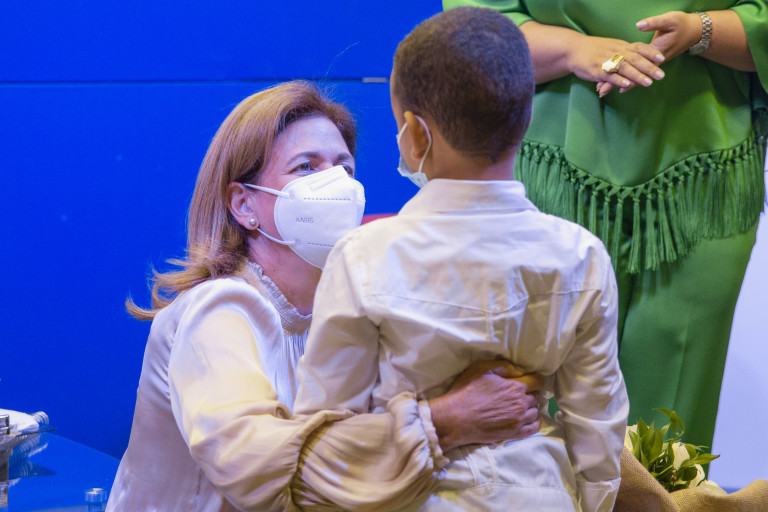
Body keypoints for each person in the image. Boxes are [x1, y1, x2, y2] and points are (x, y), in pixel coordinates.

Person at [106, 81, 544, 512]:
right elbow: (257, 469)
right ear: (244, 205)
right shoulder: (217, 312)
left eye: (344, 168)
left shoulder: (344, 314)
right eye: (306, 168)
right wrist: (445, 421)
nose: (336, 185)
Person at [294, 8, 628, 512]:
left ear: (414, 134)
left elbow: (325, 438)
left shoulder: (364, 254)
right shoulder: (581, 255)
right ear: (525, 119)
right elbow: (597, 428)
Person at [443, 0, 768, 450]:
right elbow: (474, 30)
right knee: (538, 391)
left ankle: (661, 490)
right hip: (550, 169)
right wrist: (573, 49)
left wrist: (702, 30)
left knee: (673, 411)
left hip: (703, 178)